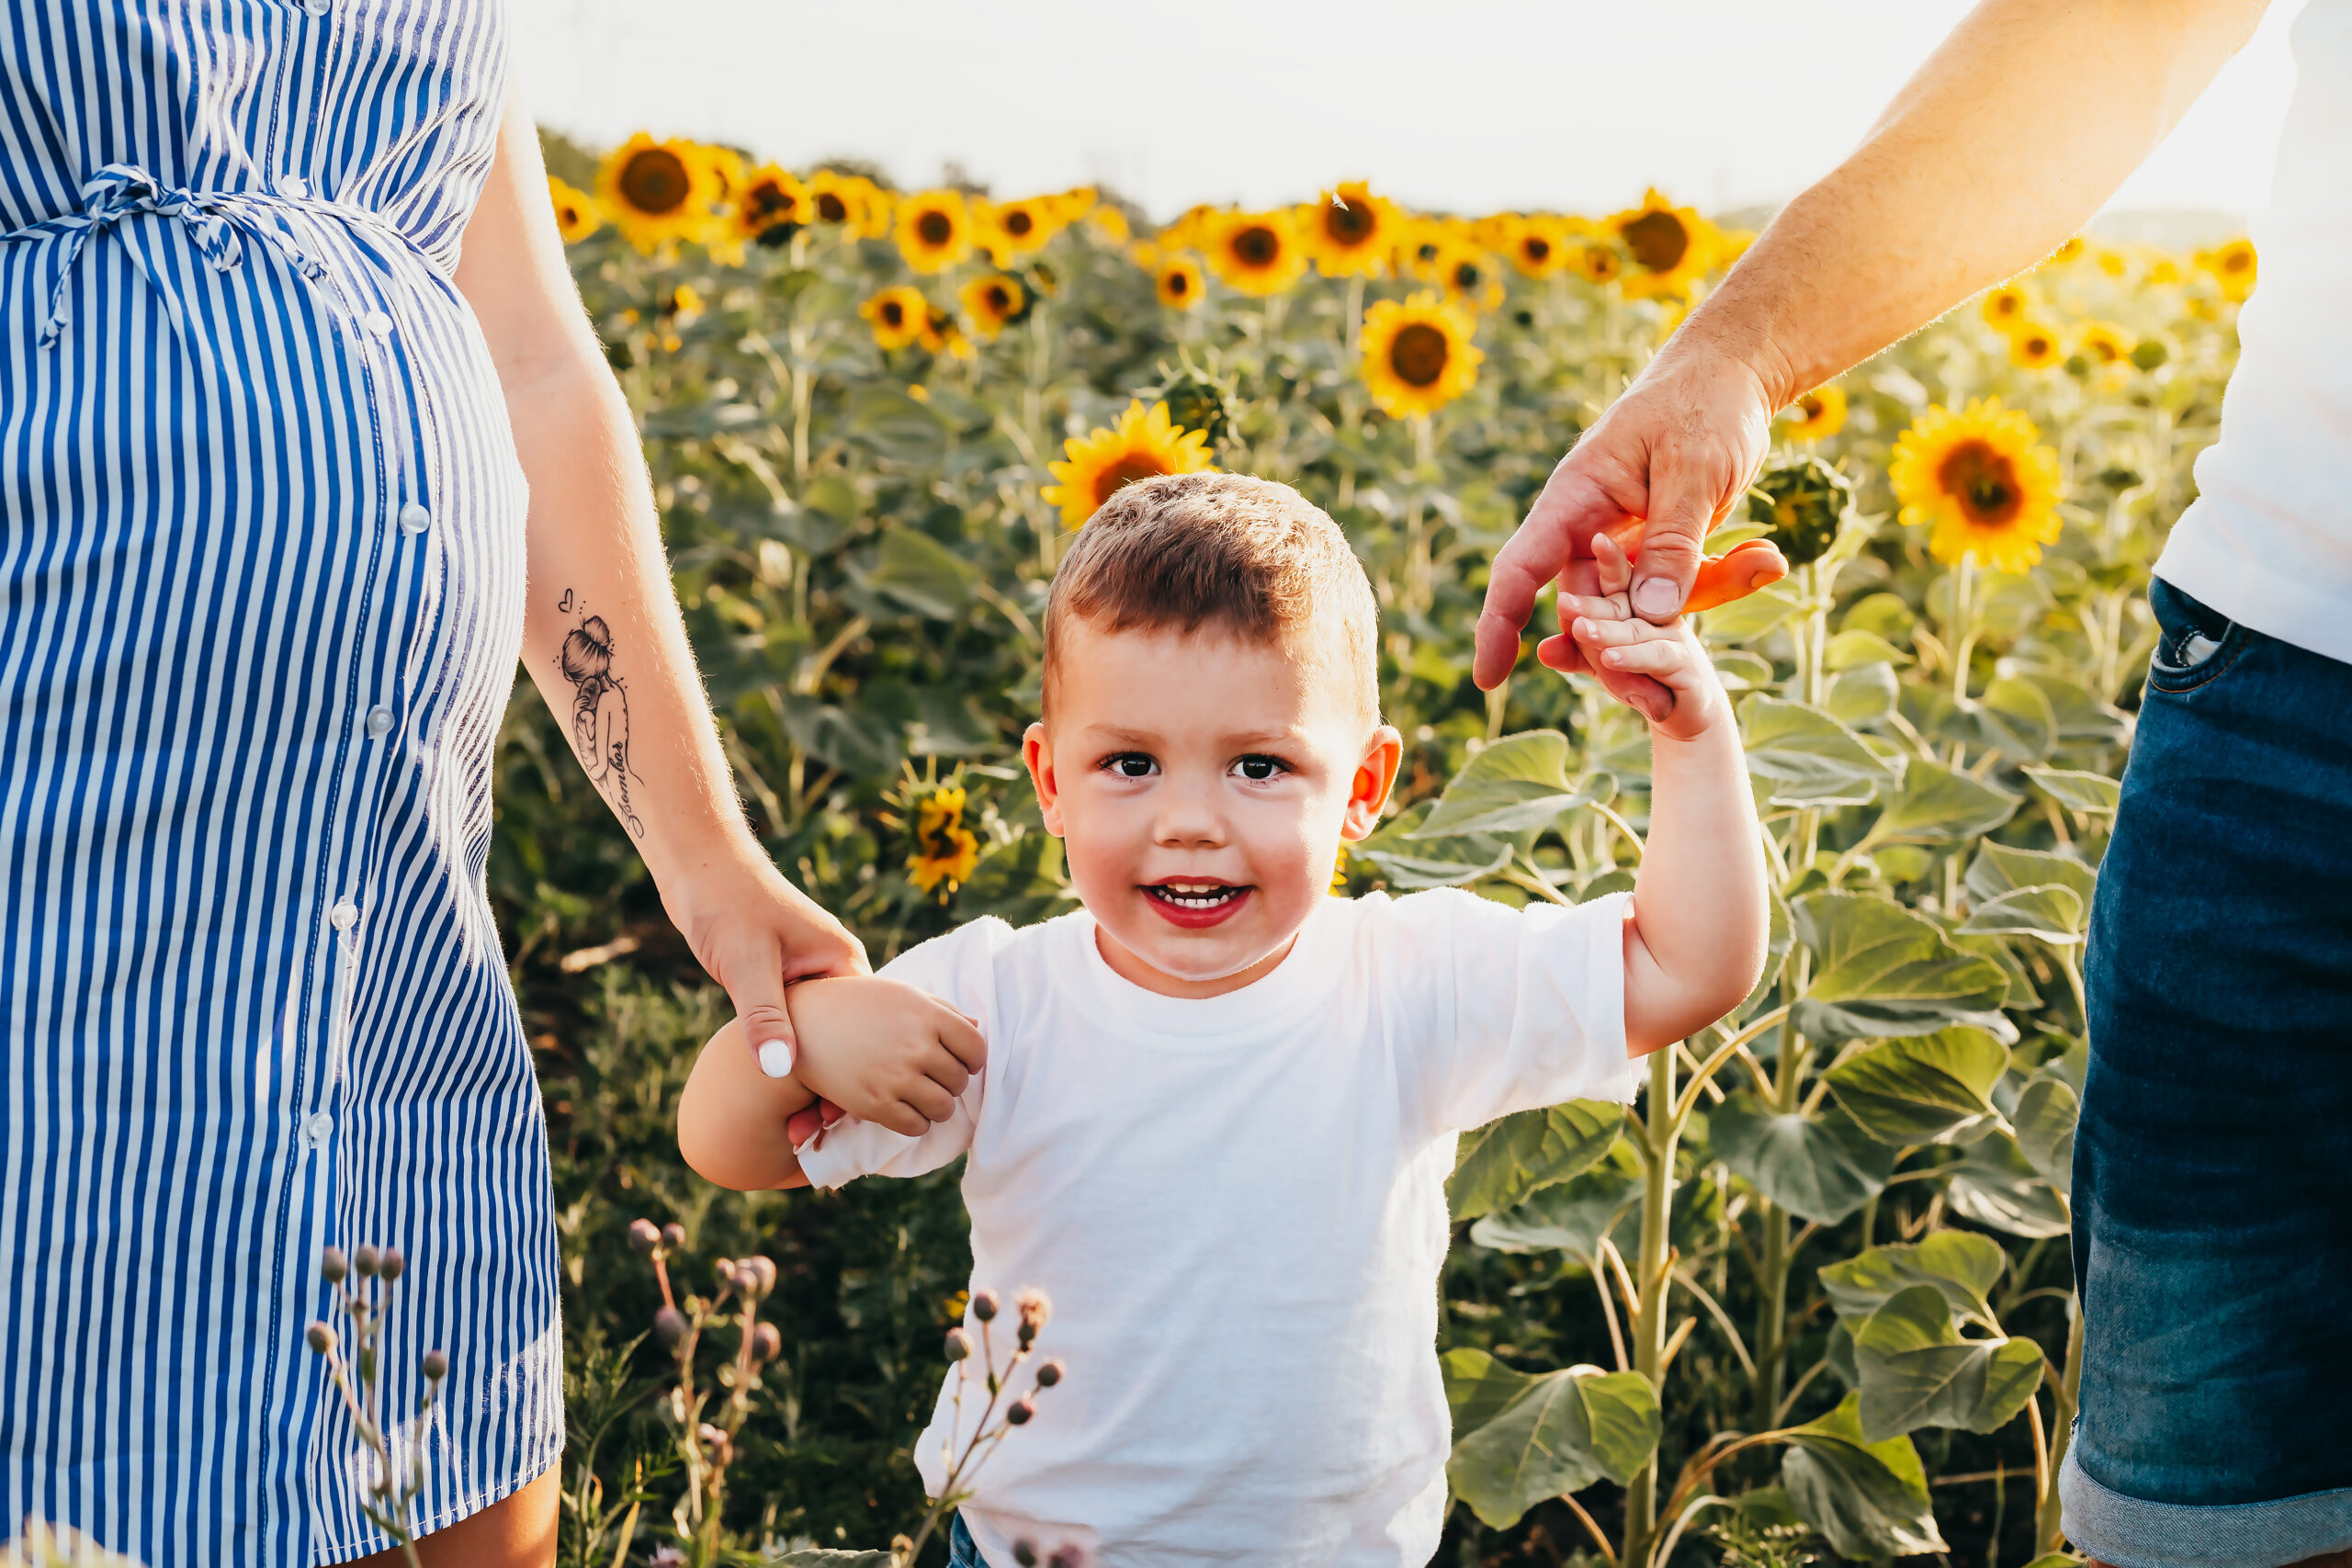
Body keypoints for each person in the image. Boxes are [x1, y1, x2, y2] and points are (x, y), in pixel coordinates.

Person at [1472, 2, 2352, 1564]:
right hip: (2291, 700)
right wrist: (1734, 358)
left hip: (2277, 723)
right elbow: (2104, 43)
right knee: (2218, 1516)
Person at [0, 6, 866, 1563]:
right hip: (65, 824)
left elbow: (530, 357)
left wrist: (706, 857)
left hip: (387, 888)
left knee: (443, 1443)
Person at [678, 472, 1769, 1564]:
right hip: (1033, 1552)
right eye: (1130, 765)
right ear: (1050, 781)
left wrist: (1691, 733)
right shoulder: (995, 1003)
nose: (1189, 822)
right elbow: (728, 1144)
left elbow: (1686, 966)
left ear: (1362, 785)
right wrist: (806, 1035)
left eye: (1259, 765)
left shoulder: (1408, 984)